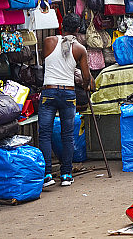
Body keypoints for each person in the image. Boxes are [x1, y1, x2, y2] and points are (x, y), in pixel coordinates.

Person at [39, 13, 95, 188]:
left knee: (45, 134)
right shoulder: (80, 49)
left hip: (49, 92)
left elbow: (45, 62)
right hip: (68, 94)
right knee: (68, 135)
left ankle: (47, 174)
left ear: (61, 26)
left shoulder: (48, 41)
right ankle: (66, 174)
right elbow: (86, 78)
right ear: (78, 30)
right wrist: (86, 83)